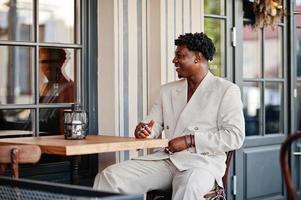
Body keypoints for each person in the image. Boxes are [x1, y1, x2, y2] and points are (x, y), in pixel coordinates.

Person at [93, 32, 245, 200]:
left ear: (198, 58)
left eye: (180, 56)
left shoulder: (226, 90)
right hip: (167, 160)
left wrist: (190, 140)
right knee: (110, 176)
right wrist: (144, 131)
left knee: (188, 186)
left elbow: (235, 136)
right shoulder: (168, 90)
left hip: (202, 164)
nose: (174, 61)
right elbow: (153, 123)